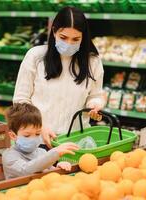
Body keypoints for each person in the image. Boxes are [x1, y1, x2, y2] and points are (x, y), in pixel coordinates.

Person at [13, 7, 106, 148]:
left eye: (76, 39)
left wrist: (94, 105)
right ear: (54, 31)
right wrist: (39, 127)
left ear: (83, 37)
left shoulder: (92, 62)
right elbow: (20, 101)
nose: (68, 43)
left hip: (76, 142)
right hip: (38, 142)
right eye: (63, 37)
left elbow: (95, 95)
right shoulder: (35, 56)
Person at [2, 103, 79, 179]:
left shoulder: (41, 152)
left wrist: (58, 167)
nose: (33, 138)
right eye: (27, 135)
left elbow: (47, 170)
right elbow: (26, 170)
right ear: (13, 136)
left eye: (38, 134)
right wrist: (55, 153)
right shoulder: (9, 156)